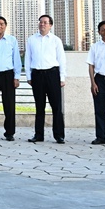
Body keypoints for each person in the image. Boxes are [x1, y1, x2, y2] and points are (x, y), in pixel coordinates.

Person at [25, 15, 66, 144]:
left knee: (56, 106)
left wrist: (62, 77)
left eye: (45, 22)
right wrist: (28, 76)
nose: (42, 24)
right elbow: (28, 58)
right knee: (39, 106)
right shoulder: (31, 40)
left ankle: (59, 135)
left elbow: (61, 59)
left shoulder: (56, 40)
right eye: (40, 22)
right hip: (37, 75)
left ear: (50, 25)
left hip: (52, 74)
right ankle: (38, 135)